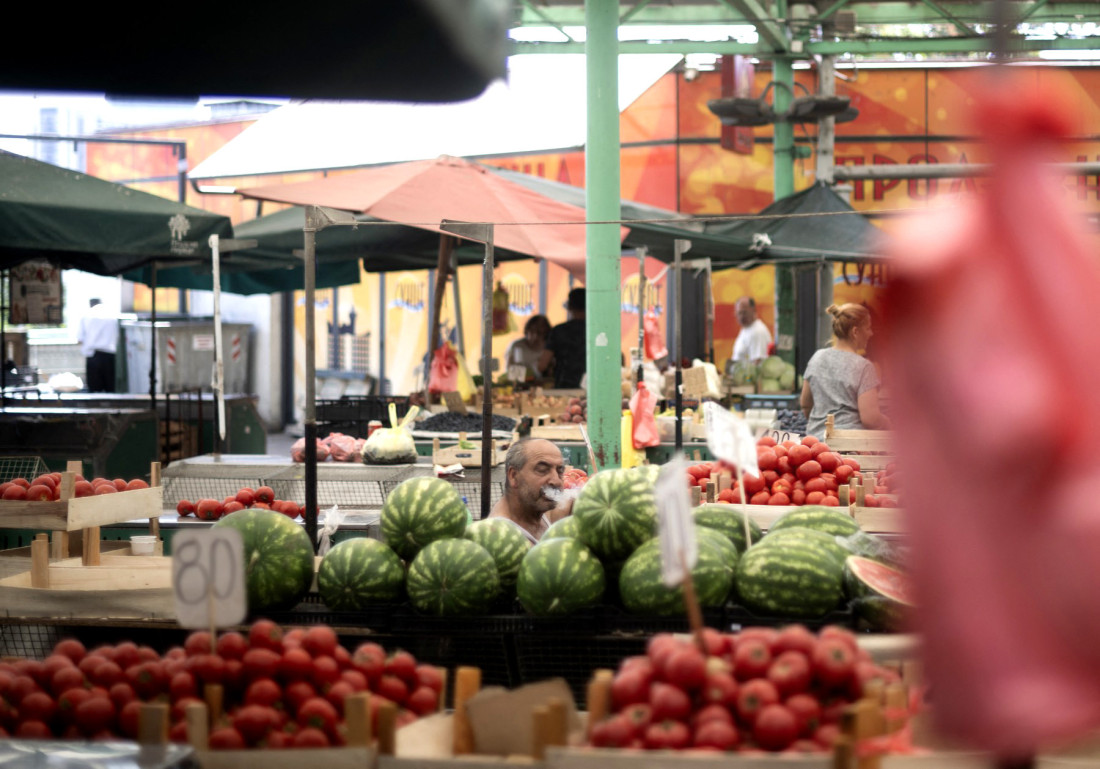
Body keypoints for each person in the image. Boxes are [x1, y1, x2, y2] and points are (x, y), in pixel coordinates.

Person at [800, 303, 890, 439]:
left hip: (815, 446)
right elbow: (870, 419)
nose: (871, 333)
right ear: (855, 332)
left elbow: (805, 404)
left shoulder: (817, 357)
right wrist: (888, 423)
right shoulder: (864, 367)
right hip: (850, 447)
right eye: (868, 328)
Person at [489, 438, 571, 544]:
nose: (556, 481)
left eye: (559, 471)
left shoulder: (533, 511)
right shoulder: (503, 538)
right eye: (542, 470)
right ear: (513, 476)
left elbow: (563, 507)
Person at [539, 288, 586, 389]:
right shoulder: (596, 332)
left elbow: (542, 365)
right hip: (593, 389)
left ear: (569, 306)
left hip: (564, 387)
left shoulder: (558, 331)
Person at [77, 298, 118, 393]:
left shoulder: (86, 316)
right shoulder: (112, 316)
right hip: (110, 355)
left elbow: (80, 339)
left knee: (94, 389)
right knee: (110, 388)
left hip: (93, 355)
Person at [504, 314, 551, 382]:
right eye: (532, 331)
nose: (535, 336)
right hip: (519, 385)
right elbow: (510, 370)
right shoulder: (517, 346)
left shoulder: (549, 350)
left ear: (546, 334)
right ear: (527, 330)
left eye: (540, 333)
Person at [730, 296, 772, 368]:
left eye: (744, 312)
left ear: (754, 311)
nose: (742, 317)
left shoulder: (758, 331)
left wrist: (747, 379)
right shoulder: (746, 329)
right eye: (739, 313)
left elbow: (757, 363)